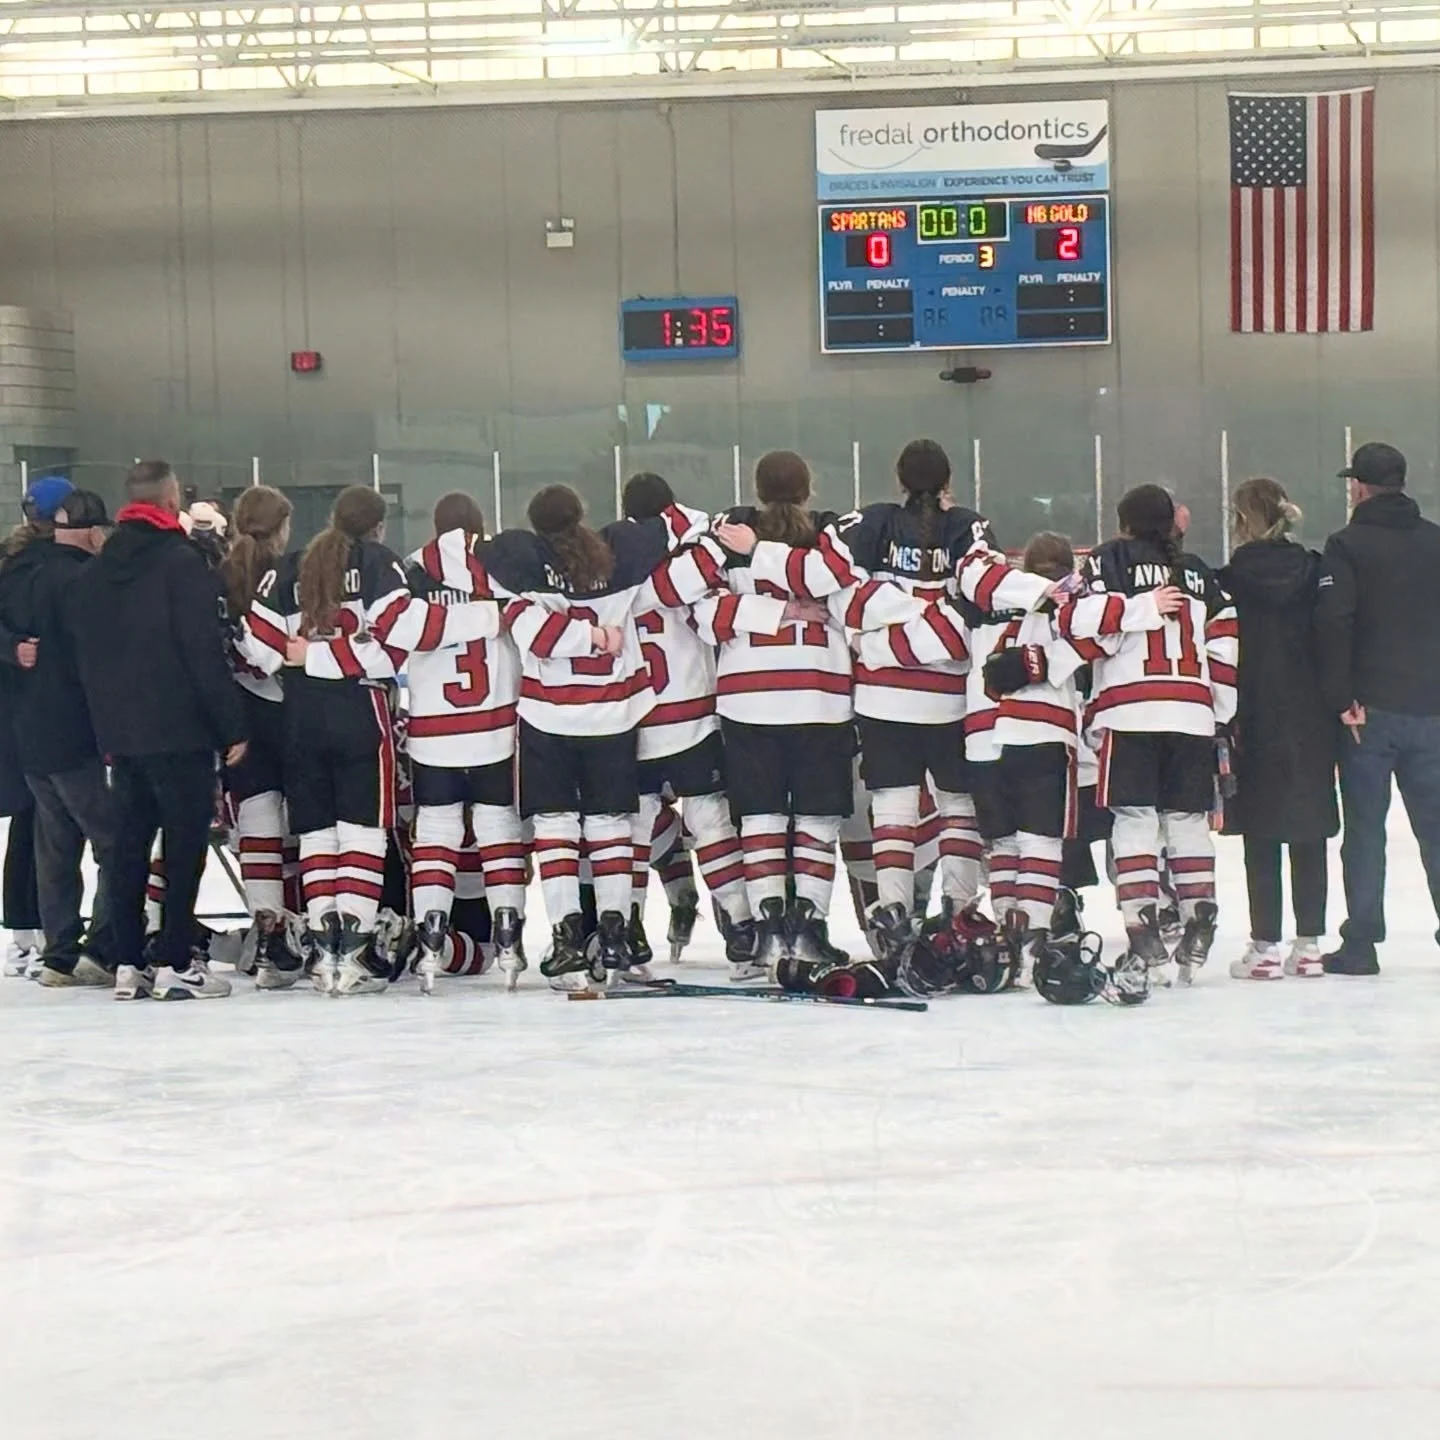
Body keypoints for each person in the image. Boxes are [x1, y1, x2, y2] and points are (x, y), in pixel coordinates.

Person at [244, 485, 499, 995]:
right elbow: (398, 640)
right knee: (362, 833)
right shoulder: (380, 561)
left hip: (298, 715)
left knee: (317, 835)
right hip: (362, 710)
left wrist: (306, 656)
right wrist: (338, 656)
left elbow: (257, 645)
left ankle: (323, 953)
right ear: (379, 526)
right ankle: (355, 953)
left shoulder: (291, 566)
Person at [69, 460, 248, 1001]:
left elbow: (85, 657)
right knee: (184, 843)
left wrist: (103, 724)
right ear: (171, 501)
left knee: (128, 848)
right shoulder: (181, 563)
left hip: (121, 733)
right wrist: (231, 724)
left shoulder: (95, 572)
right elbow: (200, 651)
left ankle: (127, 961)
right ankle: (173, 960)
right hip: (181, 729)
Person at [1058, 483, 1238, 986]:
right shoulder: (1199, 572)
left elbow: (1074, 620)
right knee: (1187, 819)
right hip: (1191, 713)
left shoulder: (1107, 560)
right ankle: (1199, 907)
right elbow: (1226, 639)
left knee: (1133, 820)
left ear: (1124, 523)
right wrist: (1216, 706)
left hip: (1129, 711)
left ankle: (1143, 925)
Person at [620, 472, 759, 982]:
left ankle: (626, 933)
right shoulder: (691, 550)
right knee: (712, 823)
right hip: (694, 712)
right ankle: (743, 932)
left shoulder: (610, 556)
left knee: (631, 830)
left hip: (633, 719)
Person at [1315, 441, 1440, 975]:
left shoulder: (1346, 545)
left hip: (1369, 711)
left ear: (1359, 487)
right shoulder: (1436, 541)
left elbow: (1334, 622)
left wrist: (1341, 698)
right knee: (1436, 827)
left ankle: (1362, 942)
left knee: (1365, 830)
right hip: (1431, 709)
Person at [402, 492, 527, 992]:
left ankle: (432, 934)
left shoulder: (412, 568)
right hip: (496, 725)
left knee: (435, 829)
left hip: (433, 727)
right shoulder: (504, 563)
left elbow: (399, 632)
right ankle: (509, 938)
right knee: (499, 829)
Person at [1220, 478, 1338, 980]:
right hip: (1310, 711)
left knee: (1261, 830)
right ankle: (1310, 941)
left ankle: (1265, 943)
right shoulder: (1315, 570)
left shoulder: (1229, 578)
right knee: (1308, 825)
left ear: (1242, 520)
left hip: (1252, 711)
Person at [0, 488, 118, 987]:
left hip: (28, 732)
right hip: (76, 732)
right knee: (113, 841)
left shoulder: (20, 572)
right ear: (93, 533)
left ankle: (59, 952)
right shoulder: (88, 581)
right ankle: (104, 946)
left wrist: (11, 648)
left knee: (55, 845)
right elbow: (99, 660)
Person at [219, 484, 302, 987]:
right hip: (288, 710)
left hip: (237, 717)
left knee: (258, 822)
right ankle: (306, 930)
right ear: (283, 527)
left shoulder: (216, 576)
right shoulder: (289, 575)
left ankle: (268, 929)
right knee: (307, 826)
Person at [0, 477, 71, 979]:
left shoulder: (11, 562)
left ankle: (26, 930)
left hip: (18, 707)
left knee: (33, 818)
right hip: (35, 708)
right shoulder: (37, 568)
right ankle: (33, 930)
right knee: (39, 817)